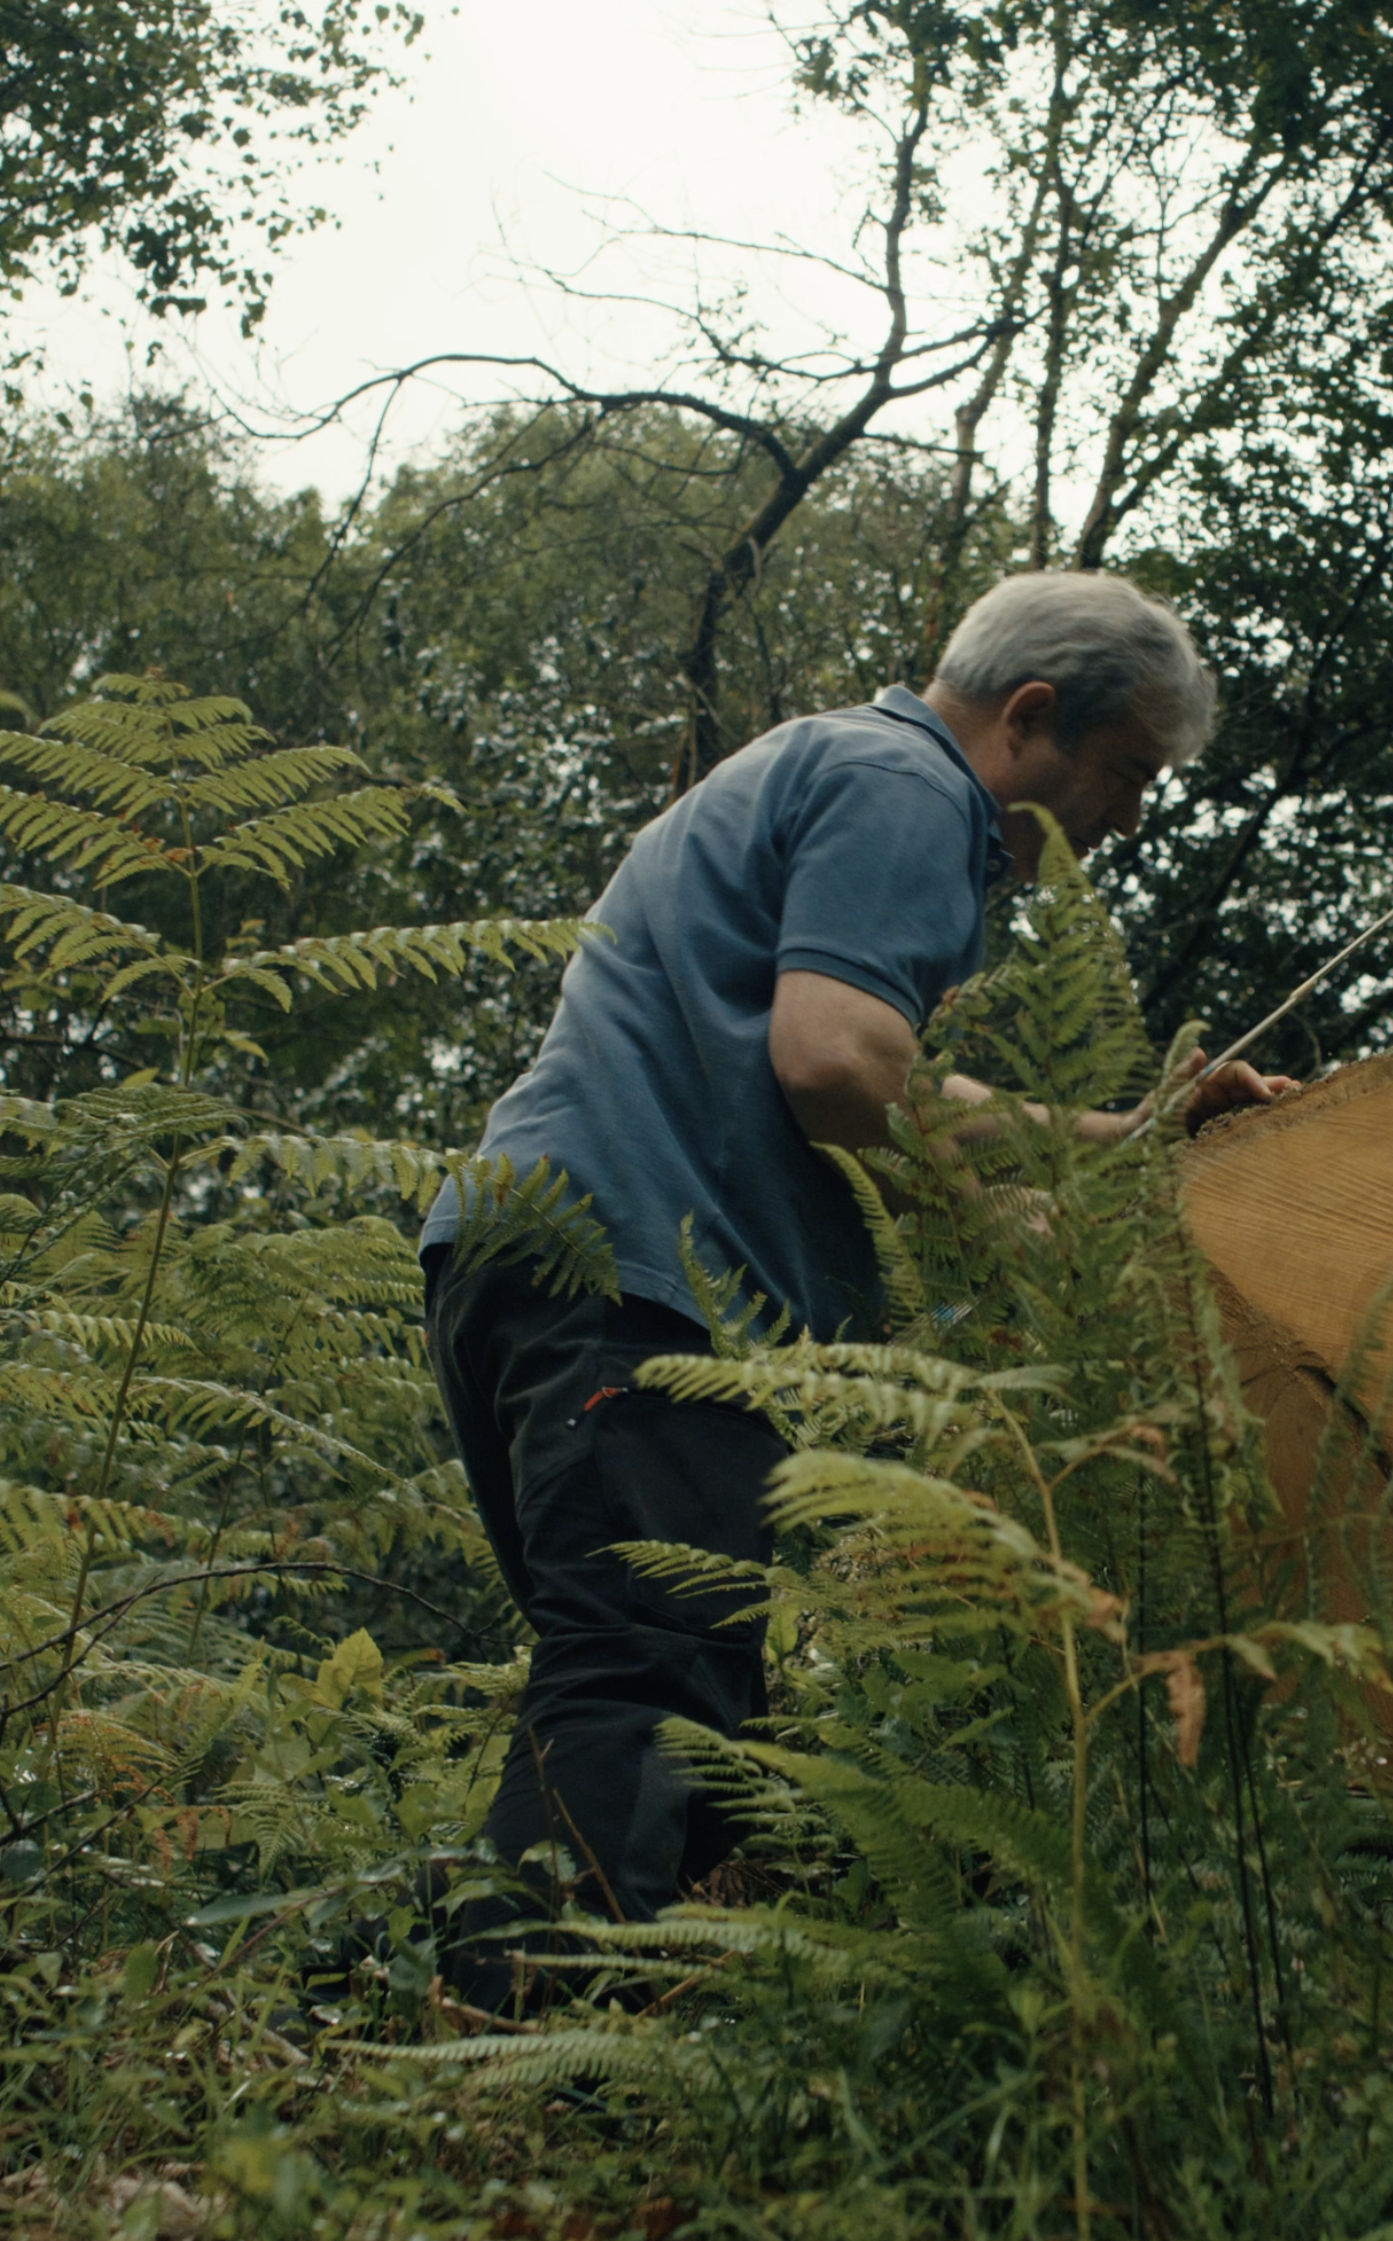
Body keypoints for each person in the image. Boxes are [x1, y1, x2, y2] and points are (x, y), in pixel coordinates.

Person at [415, 571, 1293, 2003]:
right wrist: (1074, 1161)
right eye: (1128, 775)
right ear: (1029, 717)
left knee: (686, 1712)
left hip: (548, 1262)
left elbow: (871, 1087)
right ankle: (513, 2093)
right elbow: (834, 1064)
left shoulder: (819, 768)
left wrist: (1122, 1145)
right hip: (640, 1289)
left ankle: (577, 2083)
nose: (1125, 824)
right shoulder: (910, 790)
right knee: (647, 1686)